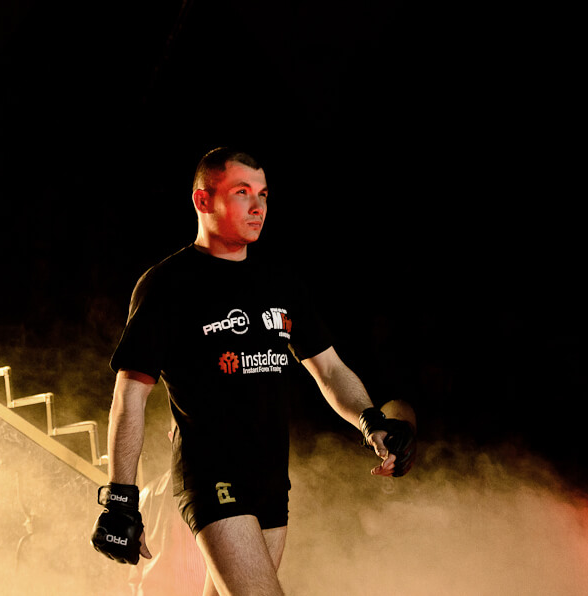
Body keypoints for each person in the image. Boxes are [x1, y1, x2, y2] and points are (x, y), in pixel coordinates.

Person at [91, 147, 415, 595]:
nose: (258, 206)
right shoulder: (167, 284)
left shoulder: (281, 282)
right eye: (242, 192)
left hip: (270, 479)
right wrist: (120, 497)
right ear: (203, 200)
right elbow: (130, 396)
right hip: (212, 476)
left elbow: (329, 369)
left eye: (263, 194)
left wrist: (371, 421)